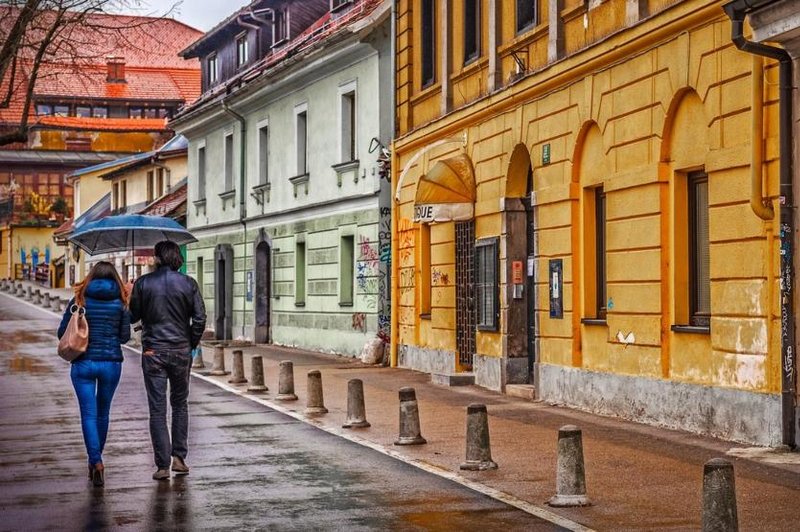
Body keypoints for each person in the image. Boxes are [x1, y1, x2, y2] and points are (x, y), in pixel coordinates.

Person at [129, 241, 206, 481]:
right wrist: (190, 342)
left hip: (153, 351)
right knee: (180, 404)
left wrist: (135, 297)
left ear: (158, 258)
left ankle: (162, 466)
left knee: (158, 408)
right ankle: (179, 459)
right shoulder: (189, 283)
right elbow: (200, 318)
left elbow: (133, 316)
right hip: (181, 350)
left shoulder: (144, 283)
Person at [57, 261, 131, 487]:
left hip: (83, 363)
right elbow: (125, 337)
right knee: (103, 413)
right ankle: (96, 458)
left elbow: (62, 332)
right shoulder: (121, 302)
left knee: (88, 414)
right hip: (110, 364)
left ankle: (96, 461)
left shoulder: (79, 299)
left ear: (91, 276)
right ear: (115, 278)